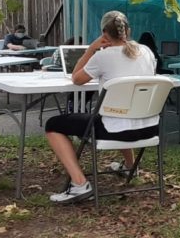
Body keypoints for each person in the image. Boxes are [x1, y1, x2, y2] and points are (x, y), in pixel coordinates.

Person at [46, 11, 159, 204]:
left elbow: (76, 78)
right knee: (123, 110)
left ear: (104, 34)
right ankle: (131, 166)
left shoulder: (103, 57)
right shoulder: (147, 52)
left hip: (115, 130)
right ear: (128, 30)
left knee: (53, 124)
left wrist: (91, 49)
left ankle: (80, 184)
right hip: (149, 128)